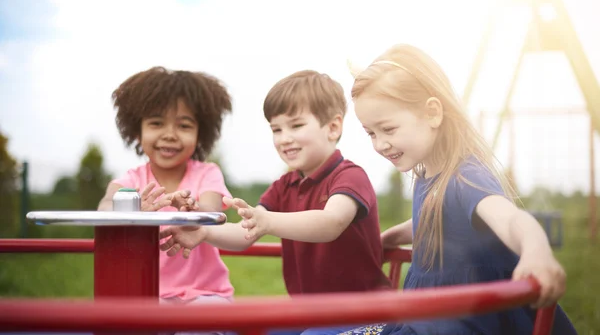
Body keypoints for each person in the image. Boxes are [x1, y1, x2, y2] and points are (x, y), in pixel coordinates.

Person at [342, 44, 577, 334]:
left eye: (388, 129)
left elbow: (511, 219)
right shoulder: (430, 175)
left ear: (432, 113)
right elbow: (435, 220)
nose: (379, 144)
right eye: (371, 133)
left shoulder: (466, 177)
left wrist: (537, 250)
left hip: (460, 322)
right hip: (427, 315)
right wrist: (391, 237)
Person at [159, 70, 392, 335]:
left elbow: (331, 222)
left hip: (364, 315)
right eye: (276, 129)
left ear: (333, 127)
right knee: (260, 328)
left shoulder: (349, 176)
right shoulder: (284, 186)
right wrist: (204, 232)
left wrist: (268, 221)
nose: (284, 138)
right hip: (311, 315)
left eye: (296, 125)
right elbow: (248, 230)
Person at [97, 66, 235, 319]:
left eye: (183, 126)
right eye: (156, 123)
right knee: (131, 321)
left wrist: (192, 210)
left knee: (202, 322)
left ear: (200, 133)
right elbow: (104, 208)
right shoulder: (131, 180)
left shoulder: (207, 173)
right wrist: (134, 210)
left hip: (205, 293)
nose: (169, 135)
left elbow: (212, 209)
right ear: (137, 131)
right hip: (147, 293)